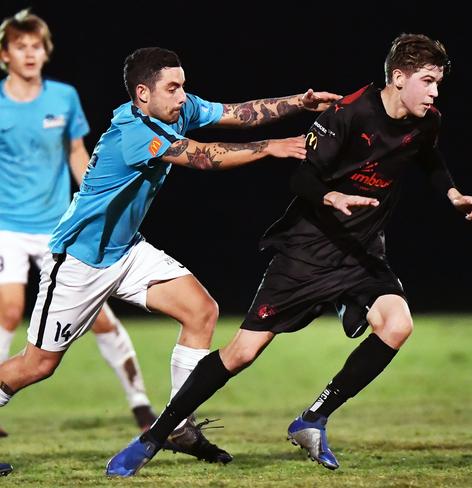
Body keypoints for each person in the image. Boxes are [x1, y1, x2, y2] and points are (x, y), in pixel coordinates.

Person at [107, 33, 472, 477]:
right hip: (308, 251)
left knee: (398, 324)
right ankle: (154, 436)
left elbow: (428, 158)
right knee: (242, 353)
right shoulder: (347, 114)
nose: (435, 92)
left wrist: (454, 194)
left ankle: (312, 419)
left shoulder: (427, 121)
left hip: (361, 253)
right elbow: (302, 181)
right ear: (399, 78)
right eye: (428, 81)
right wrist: (331, 198)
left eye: (438, 82)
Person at [0, 44, 339, 465]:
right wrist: (269, 147)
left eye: (183, 87)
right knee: (37, 365)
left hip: (126, 251)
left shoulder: (174, 111)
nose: (183, 96)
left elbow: (236, 112)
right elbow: (202, 157)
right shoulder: (133, 132)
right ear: (143, 93)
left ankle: (178, 425)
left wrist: (300, 103)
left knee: (200, 311)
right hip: (80, 261)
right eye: (173, 88)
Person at [0, 9, 157, 435]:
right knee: (10, 309)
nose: (30, 54)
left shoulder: (63, 97)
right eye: (21, 46)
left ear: (45, 52)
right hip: (8, 227)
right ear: (5, 54)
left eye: (37, 46)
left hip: (57, 227)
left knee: (101, 318)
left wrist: (100, 203)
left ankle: (141, 403)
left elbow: (76, 153)